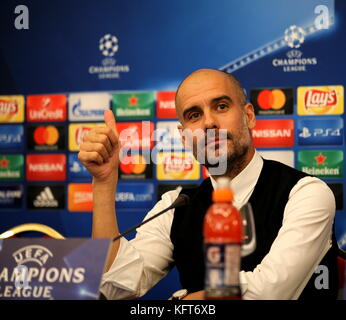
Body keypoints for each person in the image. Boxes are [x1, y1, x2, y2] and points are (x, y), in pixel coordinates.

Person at [78, 68, 338, 300]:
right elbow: (115, 287)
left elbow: (268, 292)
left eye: (221, 106)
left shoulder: (306, 193)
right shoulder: (175, 205)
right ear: (183, 137)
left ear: (248, 116)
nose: (209, 122)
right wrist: (103, 182)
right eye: (194, 115)